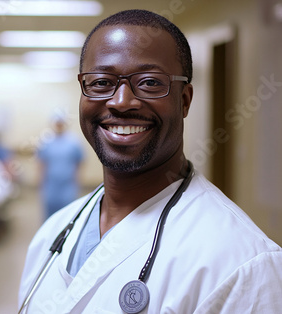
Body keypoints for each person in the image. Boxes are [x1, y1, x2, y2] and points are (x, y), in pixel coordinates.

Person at [18, 9, 282, 314]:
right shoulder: (53, 233)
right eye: (101, 82)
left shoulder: (242, 265)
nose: (121, 102)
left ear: (184, 100)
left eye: (150, 82)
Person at [37, 115, 84, 219]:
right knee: (50, 214)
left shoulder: (74, 141)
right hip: (50, 185)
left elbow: (79, 162)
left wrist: (78, 180)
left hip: (68, 185)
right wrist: (40, 182)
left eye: (61, 122)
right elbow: (41, 162)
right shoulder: (46, 141)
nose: (59, 125)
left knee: (68, 213)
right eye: (56, 122)